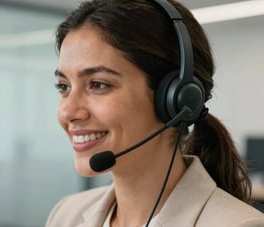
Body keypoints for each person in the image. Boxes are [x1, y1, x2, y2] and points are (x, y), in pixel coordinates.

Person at [46, 0, 264, 226]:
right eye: (64, 87)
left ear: (176, 99)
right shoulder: (66, 215)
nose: (67, 111)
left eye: (98, 84)